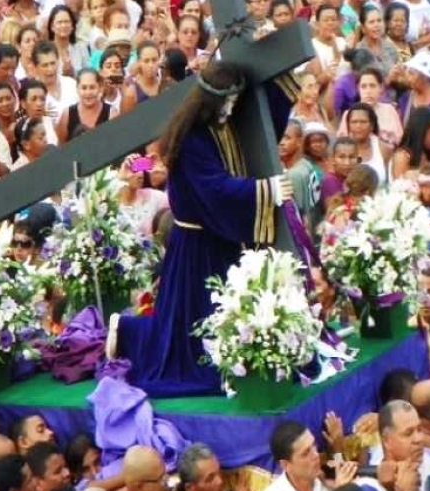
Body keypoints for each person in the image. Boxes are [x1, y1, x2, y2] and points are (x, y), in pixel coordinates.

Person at [112, 62, 298, 397]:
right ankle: (126, 332)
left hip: (220, 237)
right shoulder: (193, 136)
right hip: (196, 245)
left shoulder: (221, 126)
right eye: (226, 101)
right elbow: (208, 185)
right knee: (189, 327)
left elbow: (159, 164)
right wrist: (265, 191)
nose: (231, 108)